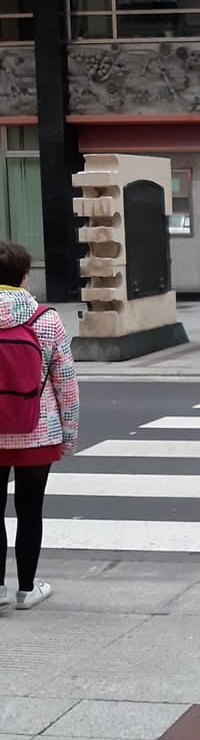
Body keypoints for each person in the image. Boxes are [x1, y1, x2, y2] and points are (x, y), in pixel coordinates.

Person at [0, 240, 79, 612]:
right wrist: (70, 435)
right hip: (38, 430)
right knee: (30, 510)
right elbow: (66, 382)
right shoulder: (45, 320)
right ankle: (26, 589)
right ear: (25, 277)